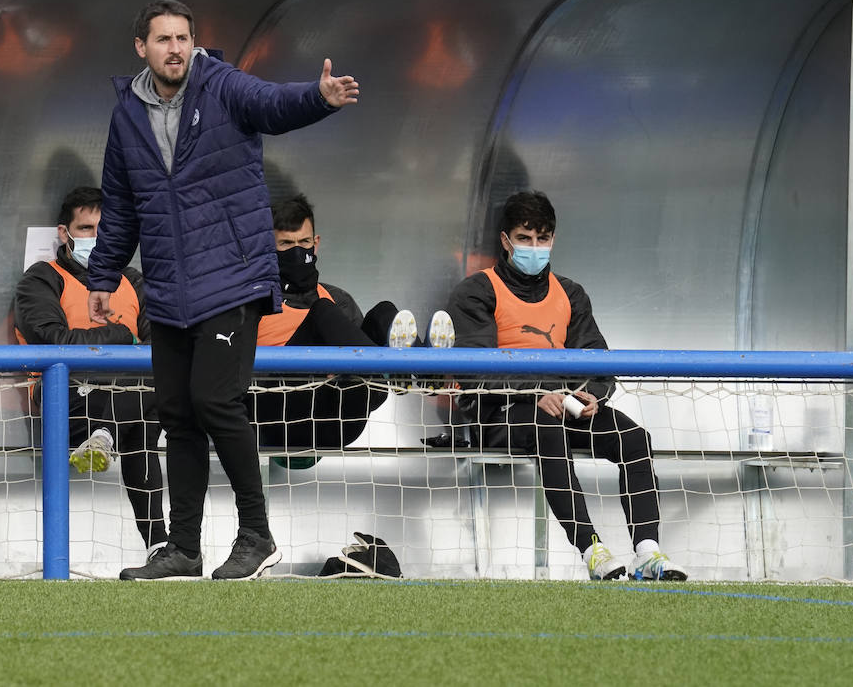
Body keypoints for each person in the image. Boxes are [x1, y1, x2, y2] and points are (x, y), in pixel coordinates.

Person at [87, 0, 359, 581]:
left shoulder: (221, 84)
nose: (176, 48)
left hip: (233, 280)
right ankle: (183, 547)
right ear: (142, 48)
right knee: (177, 413)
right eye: (163, 39)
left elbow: (272, 103)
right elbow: (122, 206)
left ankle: (256, 535)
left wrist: (319, 97)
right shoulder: (126, 115)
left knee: (215, 401)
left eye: (183, 37)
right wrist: (103, 276)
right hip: (167, 289)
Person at [444, 190, 687, 581]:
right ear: (506, 241)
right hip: (502, 412)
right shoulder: (478, 290)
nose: (534, 248)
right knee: (548, 424)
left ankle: (648, 551)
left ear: (553, 240)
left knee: (634, 438)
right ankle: (593, 550)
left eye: (542, 239)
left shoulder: (570, 293)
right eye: (525, 239)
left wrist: (593, 393)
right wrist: (536, 392)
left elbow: (598, 361)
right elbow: (476, 370)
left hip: (563, 407)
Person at [13, 186, 165, 549]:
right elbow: (54, 340)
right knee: (141, 423)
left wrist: (115, 342)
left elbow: (158, 343)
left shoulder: (134, 281)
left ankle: (104, 437)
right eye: (86, 229)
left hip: (129, 392)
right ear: (64, 234)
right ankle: (159, 543)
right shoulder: (41, 278)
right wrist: (118, 335)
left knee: (145, 414)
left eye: (105, 230)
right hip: (63, 396)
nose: (96, 239)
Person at [252, 193, 455, 452]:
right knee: (322, 311)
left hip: (337, 417)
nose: (298, 252)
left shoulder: (339, 299)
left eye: (304, 242)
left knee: (385, 312)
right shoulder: (254, 301)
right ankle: (391, 364)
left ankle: (424, 370)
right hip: (280, 416)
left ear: (316, 243)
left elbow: (369, 389)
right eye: (286, 244)